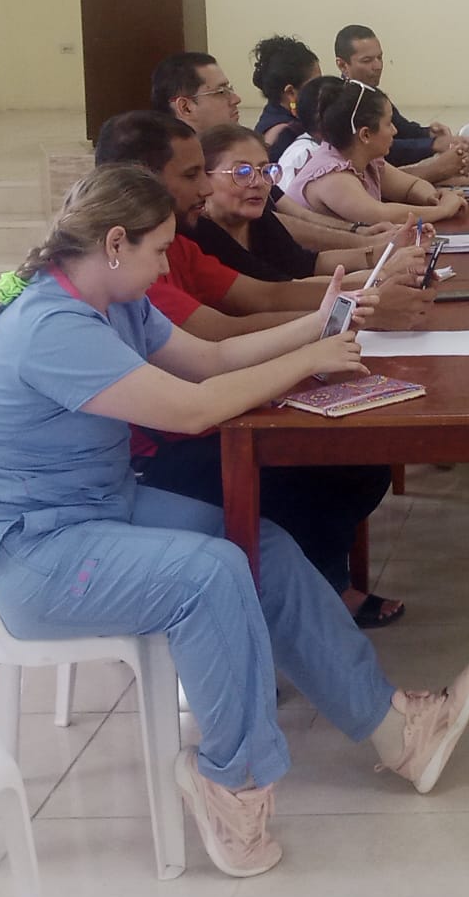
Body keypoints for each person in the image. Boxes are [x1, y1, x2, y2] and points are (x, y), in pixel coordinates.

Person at [0, 164, 469, 877]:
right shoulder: (51, 327)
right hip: (18, 558)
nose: (168, 264)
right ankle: (230, 783)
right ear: (114, 243)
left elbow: (212, 358)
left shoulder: (113, 299)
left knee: (257, 541)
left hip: (89, 510)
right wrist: (309, 358)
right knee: (212, 574)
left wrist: (319, 323)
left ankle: (395, 730)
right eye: (160, 249)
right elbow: (192, 409)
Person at [93, 112, 415, 627]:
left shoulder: (166, 250)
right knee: (324, 469)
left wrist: (345, 306)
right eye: (194, 174)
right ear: (140, 180)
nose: (205, 188)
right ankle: (307, 596)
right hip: (154, 459)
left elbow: (248, 315)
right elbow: (211, 360)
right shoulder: (113, 284)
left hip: (203, 418)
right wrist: (316, 341)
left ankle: (316, 594)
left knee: (356, 456)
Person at [152, 53, 374, 254]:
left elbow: (293, 216)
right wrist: (363, 243)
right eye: (221, 92)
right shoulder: (177, 180)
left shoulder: (239, 148)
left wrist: (358, 232)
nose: (235, 98)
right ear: (186, 107)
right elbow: (278, 226)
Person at [193, 124, 413, 284]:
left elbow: (308, 264)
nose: (259, 182)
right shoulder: (203, 236)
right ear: (203, 178)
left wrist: (382, 253)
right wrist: (382, 274)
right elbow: (280, 291)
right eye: (242, 172)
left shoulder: (258, 220)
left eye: (265, 170)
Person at [285, 79, 466, 227]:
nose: (395, 130)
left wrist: (433, 198)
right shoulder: (333, 177)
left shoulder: (366, 159)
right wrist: (442, 210)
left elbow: (409, 187)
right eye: (388, 123)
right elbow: (381, 216)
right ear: (365, 135)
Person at [334, 25, 469, 181]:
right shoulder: (342, 104)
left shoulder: (371, 94)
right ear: (342, 65)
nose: (378, 66)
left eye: (380, 57)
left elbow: (401, 128)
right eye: (367, 61)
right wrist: (433, 145)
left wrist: (428, 133)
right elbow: (383, 148)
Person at [250, 35, 320, 160]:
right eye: (316, 85)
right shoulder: (285, 135)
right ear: (290, 92)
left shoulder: (273, 116)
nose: (321, 90)